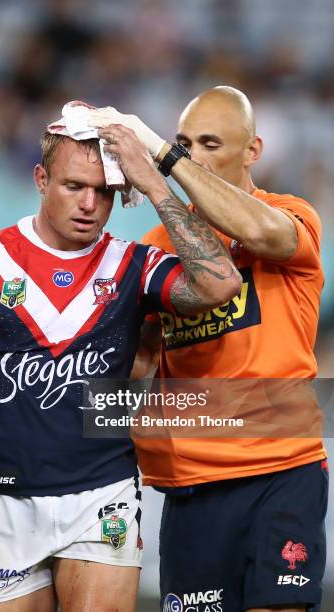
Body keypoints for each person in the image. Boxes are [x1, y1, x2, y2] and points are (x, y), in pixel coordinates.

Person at [0, 116, 241, 611]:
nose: (89, 204)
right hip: (4, 500)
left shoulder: (134, 266)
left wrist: (153, 181)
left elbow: (220, 284)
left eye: (103, 191)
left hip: (101, 493)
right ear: (41, 180)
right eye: (73, 186)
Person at [89, 87, 328, 612]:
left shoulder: (291, 216)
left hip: (281, 469)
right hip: (192, 481)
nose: (193, 155)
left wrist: (160, 168)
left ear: (253, 150)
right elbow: (141, 360)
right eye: (184, 143)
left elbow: (259, 233)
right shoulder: (157, 247)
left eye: (210, 143)